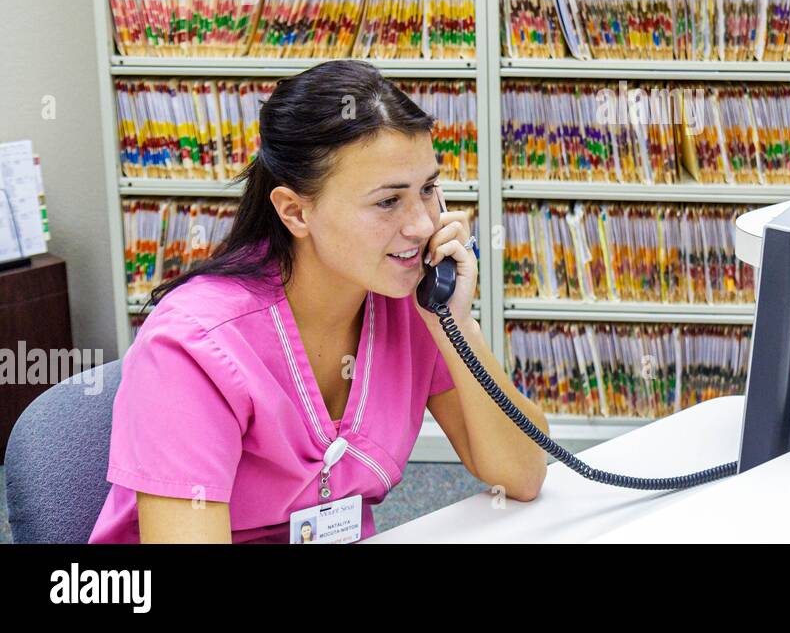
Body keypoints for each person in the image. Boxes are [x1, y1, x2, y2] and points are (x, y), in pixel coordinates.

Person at [90, 60, 548, 543]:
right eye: (388, 201)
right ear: (295, 212)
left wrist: (456, 322)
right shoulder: (192, 346)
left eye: (429, 190)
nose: (421, 225)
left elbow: (522, 474)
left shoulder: (409, 302)